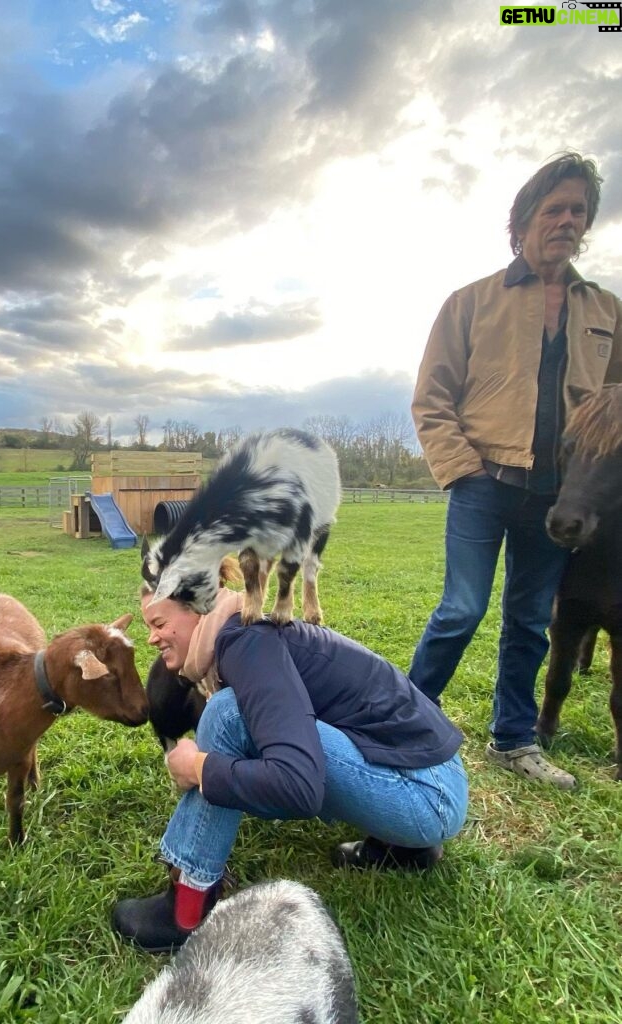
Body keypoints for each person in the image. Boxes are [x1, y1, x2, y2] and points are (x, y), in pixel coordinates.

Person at [410, 152, 622, 790]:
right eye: (552, 209)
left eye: (577, 211)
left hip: (556, 501)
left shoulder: (608, 311)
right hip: (484, 484)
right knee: (461, 609)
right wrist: (463, 470)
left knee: (531, 619)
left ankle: (513, 739)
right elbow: (432, 398)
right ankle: (398, 719)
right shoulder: (470, 302)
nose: (565, 221)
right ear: (523, 222)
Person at [111, 585, 469, 953]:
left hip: (425, 796)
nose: (152, 638)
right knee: (245, 724)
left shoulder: (244, 642)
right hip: (432, 780)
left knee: (227, 712)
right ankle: (406, 849)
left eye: (158, 622)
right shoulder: (246, 632)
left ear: (200, 609)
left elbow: (299, 784)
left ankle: (187, 904)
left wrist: (199, 767)